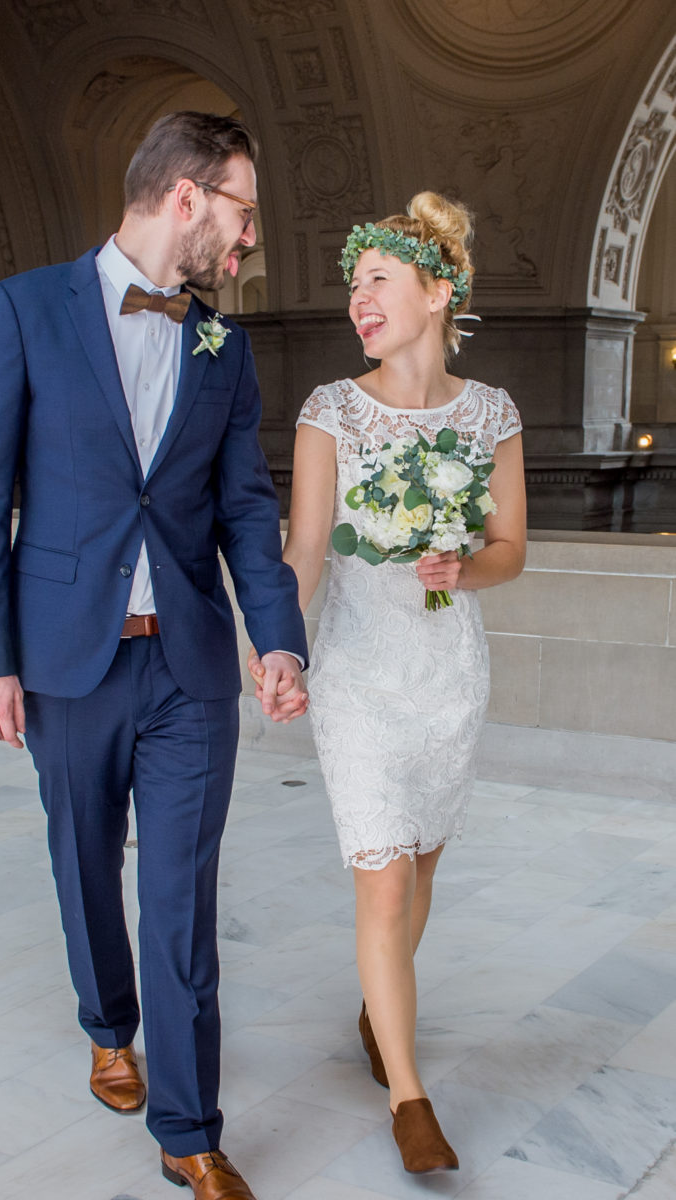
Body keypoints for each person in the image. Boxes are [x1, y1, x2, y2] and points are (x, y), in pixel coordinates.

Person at [0, 111, 308, 1200]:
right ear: (189, 198)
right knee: (83, 861)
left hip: (190, 668)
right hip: (66, 659)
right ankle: (108, 1024)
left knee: (182, 894)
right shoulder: (23, 310)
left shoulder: (225, 346)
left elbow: (246, 509)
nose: (247, 241)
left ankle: (189, 1128)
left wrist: (278, 636)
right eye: (243, 213)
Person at [250, 192, 526, 1175]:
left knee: (424, 874)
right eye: (352, 285)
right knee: (382, 883)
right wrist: (276, 639)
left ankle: (381, 1012)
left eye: (376, 279)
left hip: (451, 676)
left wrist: (464, 568)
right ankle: (412, 1099)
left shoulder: (491, 412)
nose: (358, 298)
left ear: (437, 288)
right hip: (361, 676)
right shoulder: (331, 408)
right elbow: (308, 551)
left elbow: (511, 550)